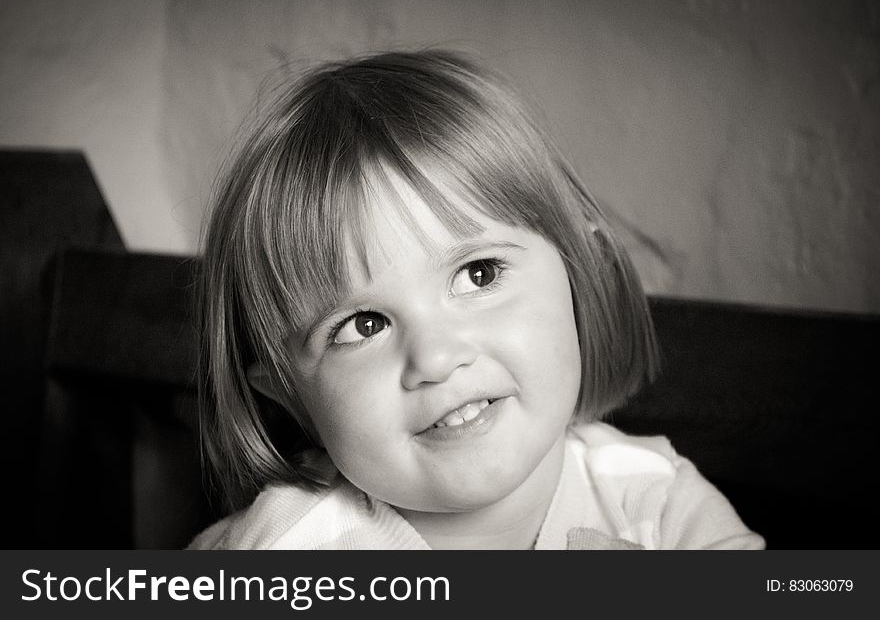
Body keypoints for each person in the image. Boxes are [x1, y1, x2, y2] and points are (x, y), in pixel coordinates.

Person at [189, 50, 763, 550]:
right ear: (289, 393)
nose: (436, 359)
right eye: (364, 325)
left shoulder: (658, 502)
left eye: (480, 273)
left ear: (578, 268)